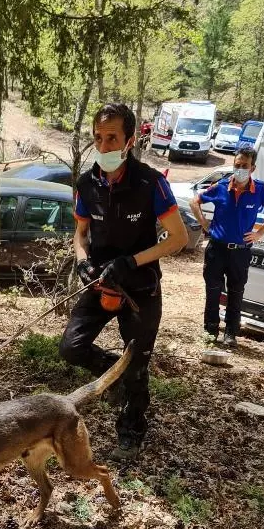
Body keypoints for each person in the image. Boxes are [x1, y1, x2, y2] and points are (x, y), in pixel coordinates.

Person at [59, 103, 188, 461]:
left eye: (112, 137)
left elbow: (177, 239)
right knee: (71, 347)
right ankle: (115, 375)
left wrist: (130, 261)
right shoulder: (86, 183)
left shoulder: (151, 183)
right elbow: (80, 235)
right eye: (98, 138)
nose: (103, 145)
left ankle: (130, 432)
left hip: (141, 287)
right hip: (99, 282)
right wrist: (83, 262)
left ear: (129, 140)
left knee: (138, 362)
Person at [190, 144, 264, 347]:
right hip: (217, 249)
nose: (240, 168)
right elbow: (194, 202)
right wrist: (204, 223)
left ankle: (230, 334)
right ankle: (210, 331)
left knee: (236, 293)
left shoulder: (261, 190)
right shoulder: (221, 187)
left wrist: (260, 232)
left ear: (252, 168)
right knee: (213, 291)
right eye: (237, 164)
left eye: (245, 165)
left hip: (240, 252)